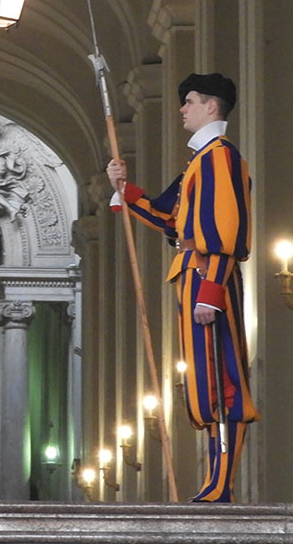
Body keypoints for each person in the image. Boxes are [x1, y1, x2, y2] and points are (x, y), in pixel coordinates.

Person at [105, 72, 258, 502]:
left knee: (223, 381)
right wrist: (123, 188)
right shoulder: (199, 162)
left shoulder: (221, 158)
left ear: (211, 106)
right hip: (191, 274)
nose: (182, 109)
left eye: (189, 101)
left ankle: (222, 485)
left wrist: (211, 292)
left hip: (209, 277)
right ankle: (214, 481)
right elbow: (169, 218)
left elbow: (225, 231)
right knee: (204, 385)